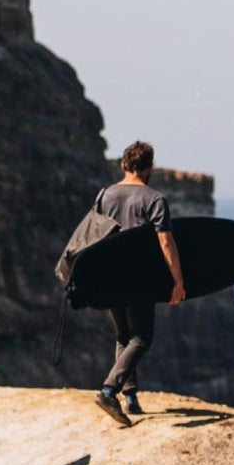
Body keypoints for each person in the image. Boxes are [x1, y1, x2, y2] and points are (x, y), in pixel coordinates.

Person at [94, 141, 185, 426]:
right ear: (149, 169)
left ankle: (130, 397)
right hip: (138, 277)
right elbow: (165, 241)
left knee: (124, 337)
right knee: (142, 337)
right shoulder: (154, 199)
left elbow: (92, 236)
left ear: (123, 165)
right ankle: (110, 390)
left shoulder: (104, 196)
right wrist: (178, 281)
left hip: (109, 275)